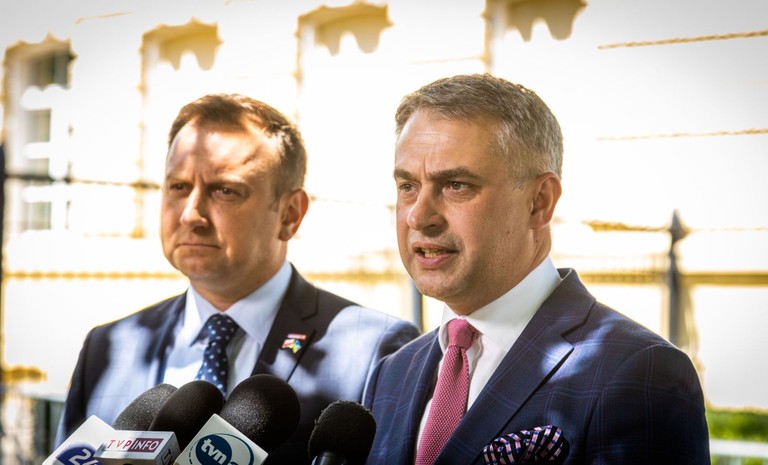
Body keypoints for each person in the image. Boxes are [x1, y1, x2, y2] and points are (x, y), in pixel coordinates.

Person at [363, 74, 709, 464]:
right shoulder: (392, 373)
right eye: (407, 186)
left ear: (539, 202)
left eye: (456, 185)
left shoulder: (638, 371)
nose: (418, 216)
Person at [56, 94, 420, 464]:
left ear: (290, 214)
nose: (191, 215)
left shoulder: (378, 351)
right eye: (178, 187)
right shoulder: (107, 348)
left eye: (225, 190)